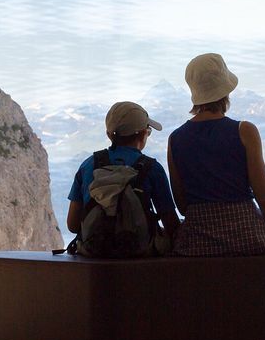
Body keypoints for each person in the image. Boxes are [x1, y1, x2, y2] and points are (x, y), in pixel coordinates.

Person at [167, 53, 265, 256]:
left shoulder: (176, 139)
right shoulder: (245, 131)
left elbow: (182, 205)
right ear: (226, 91)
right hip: (247, 234)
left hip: (197, 241)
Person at [66, 101, 180, 242]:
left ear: (109, 135)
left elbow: (72, 225)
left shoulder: (88, 166)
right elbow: (171, 223)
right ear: (143, 134)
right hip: (139, 257)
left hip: (95, 256)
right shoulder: (153, 169)